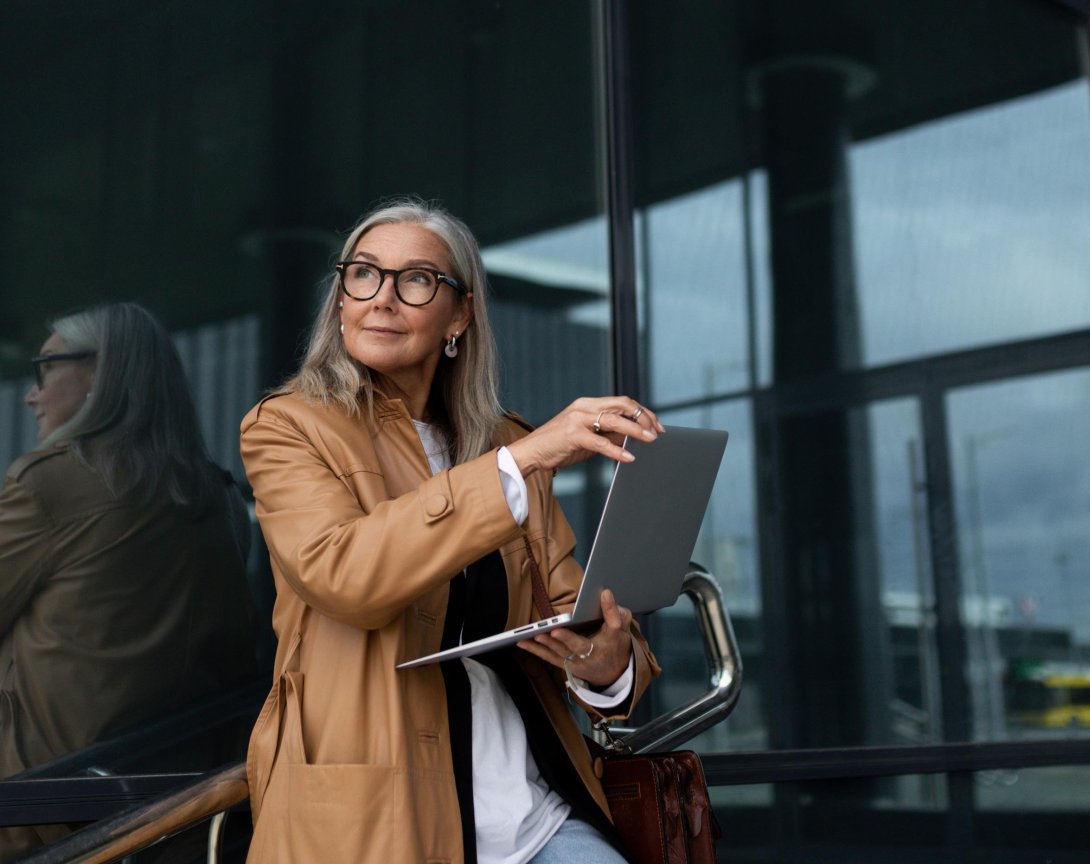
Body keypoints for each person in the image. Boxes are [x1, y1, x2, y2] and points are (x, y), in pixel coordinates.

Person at [239, 198, 664, 863]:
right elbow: (346, 577)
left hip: (534, 815)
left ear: (459, 314)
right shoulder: (288, 426)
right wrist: (519, 463)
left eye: (415, 280)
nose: (382, 298)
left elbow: (578, 615)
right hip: (379, 820)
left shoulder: (502, 441)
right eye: (364, 274)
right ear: (342, 297)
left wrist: (606, 668)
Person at [0, 303, 258, 859]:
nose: (31, 394)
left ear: (102, 370)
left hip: (44, 819)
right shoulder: (221, 500)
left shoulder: (50, 487)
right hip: (183, 819)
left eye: (45, 369)